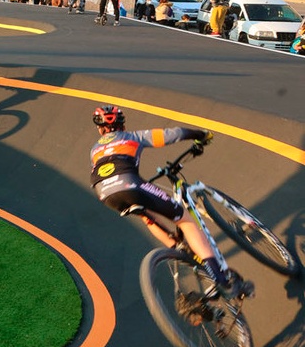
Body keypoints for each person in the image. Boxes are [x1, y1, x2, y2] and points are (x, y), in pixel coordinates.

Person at [88, 105, 253, 300]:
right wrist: (200, 135)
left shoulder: (95, 149)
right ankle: (221, 279)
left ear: (100, 129)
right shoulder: (132, 137)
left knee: (144, 214)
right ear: (122, 125)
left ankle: (179, 250)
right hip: (129, 183)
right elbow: (172, 134)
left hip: (104, 193)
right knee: (185, 220)